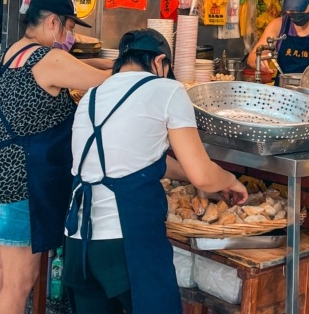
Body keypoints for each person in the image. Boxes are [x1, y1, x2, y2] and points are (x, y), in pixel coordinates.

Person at [64, 29, 248, 313]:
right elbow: (203, 174)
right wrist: (229, 179)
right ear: (160, 61)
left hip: (79, 245)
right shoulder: (167, 89)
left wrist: (189, 174)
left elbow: (136, 162)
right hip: (127, 244)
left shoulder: (92, 96)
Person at [0, 0, 113, 314]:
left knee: (3, 271)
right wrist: (131, 70)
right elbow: (105, 84)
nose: (71, 37)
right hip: (23, 186)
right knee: (20, 283)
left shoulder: (16, 50)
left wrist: (109, 62)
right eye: (68, 27)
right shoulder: (49, 59)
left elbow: (79, 67)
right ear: (52, 22)